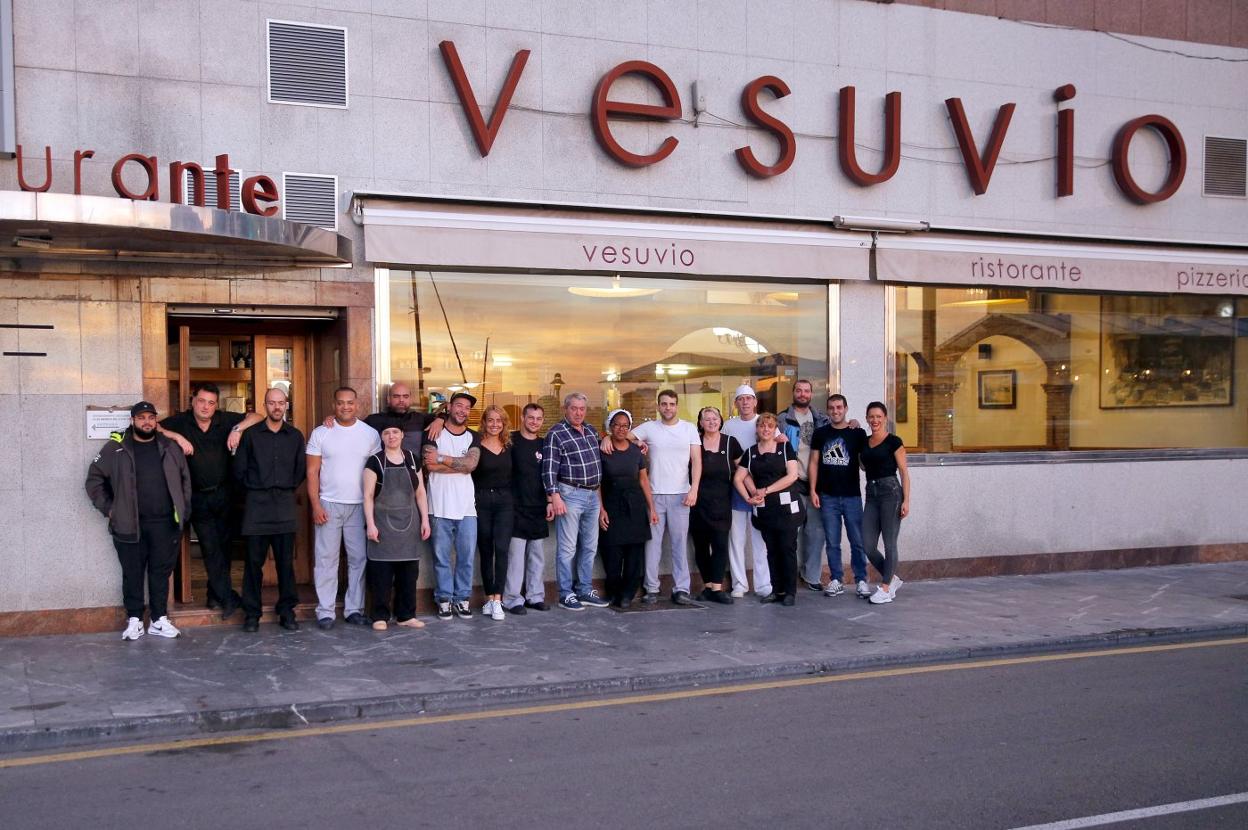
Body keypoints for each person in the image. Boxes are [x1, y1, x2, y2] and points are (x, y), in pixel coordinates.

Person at [85, 401, 193, 640]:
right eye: (141, 418)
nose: (147, 422)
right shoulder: (116, 448)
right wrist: (110, 510)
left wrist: (183, 509)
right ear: (132, 421)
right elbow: (94, 480)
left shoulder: (169, 447)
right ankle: (134, 619)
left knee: (160, 573)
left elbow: (185, 479)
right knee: (132, 573)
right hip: (129, 524)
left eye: (151, 418)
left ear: (156, 421)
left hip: (165, 524)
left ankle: (158, 619)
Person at [158, 383, 262, 619]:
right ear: (193, 401)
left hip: (225, 494)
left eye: (211, 403)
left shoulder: (225, 420)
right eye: (202, 401)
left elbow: (258, 416)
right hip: (197, 496)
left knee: (224, 547)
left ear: (216, 405)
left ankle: (214, 595)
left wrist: (238, 429)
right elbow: (153, 426)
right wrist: (176, 437)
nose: (206, 407)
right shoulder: (181, 422)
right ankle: (227, 598)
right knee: (210, 547)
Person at [306, 387, 382, 630]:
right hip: (328, 504)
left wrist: (373, 510)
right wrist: (315, 504)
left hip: (359, 505)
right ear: (334, 405)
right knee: (326, 559)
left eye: (350, 402)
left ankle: (354, 609)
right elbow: (312, 472)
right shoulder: (321, 433)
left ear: (357, 405)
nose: (345, 407)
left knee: (358, 559)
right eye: (340, 403)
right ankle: (325, 611)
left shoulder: (370, 434)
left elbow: (377, 472)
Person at [233, 387, 305, 633]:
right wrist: (256, 489)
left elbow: (300, 470)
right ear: (265, 406)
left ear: (286, 405)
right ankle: (251, 614)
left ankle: (287, 611)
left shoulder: (295, 436)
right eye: (272, 403)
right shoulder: (251, 435)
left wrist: (284, 487)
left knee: (285, 564)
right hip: (257, 506)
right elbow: (239, 470)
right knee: (253, 564)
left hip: (284, 506)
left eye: (281, 403)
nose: (276, 407)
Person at [621, 390, 700, 605]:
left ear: (677, 406)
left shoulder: (689, 429)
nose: (668, 408)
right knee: (652, 545)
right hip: (654, 495)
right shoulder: (649, 428)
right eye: (664, 404)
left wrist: (694, 489)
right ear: (658, 406)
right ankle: (652, 588)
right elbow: (624, 437)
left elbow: (697, 461)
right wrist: (638, 444)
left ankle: (681, 589)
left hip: (681, 495)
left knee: (679, 544)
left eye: (672, 404)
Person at [542, 392, 610, 611]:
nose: (578, 413)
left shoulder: (591, 430)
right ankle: (565, 593)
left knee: (589, 546)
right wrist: (554, 496)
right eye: (574, 408)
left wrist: (611, 438)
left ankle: (584, 589)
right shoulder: (556, 433)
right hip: (570, 494)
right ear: (566, 409)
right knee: (568, 548)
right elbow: (549, 469)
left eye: (582, 409)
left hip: (593, 494)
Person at [364, 421, 431, 631]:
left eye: (395, 432)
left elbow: (420, 492)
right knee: (381, 574)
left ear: (402, 435)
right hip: (382, 524)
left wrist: (425, 520)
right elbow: (367, 496)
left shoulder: (412, 459)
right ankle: (380, 616)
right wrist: (370, 524)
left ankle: (406, 615)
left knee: (409, 574)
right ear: (382, 437)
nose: (391, 436)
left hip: (410, 523)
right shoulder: (375, 461)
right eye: (386, 433)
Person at [422, 391, 481, 620]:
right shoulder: (433, 432)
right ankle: (444, 599)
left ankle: (462, 599)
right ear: (449, 407)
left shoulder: (473, 436)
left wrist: (441, 458)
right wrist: (458, 465)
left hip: (467, 508)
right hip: (439, 506)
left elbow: (471, 465)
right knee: (441, 558)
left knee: (466, 557)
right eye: (459, 405)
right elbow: (429, 466)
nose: (462, 411)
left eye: (467, 408)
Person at [734, 413, 803, 606]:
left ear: (775, 429)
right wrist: (749, 497)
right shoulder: (750, 452)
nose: (766, 429)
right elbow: (738, 478)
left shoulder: (785, 447)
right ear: (757, 429)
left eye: (770, 426)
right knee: (771, 550)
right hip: (765, 509)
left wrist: (766, 490)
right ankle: (777, 590)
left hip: (787, 507)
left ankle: (790, 592)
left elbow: (792, 476)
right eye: (762, 426)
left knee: (787, 548)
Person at [808, 394, 872, 599]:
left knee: (857, 541)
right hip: (828, 496)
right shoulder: (820, 433)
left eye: (839, 407)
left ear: (845, 408)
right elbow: (814, 462)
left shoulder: (857, 433)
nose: (835, 411)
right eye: (831, 408)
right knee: (832, 541)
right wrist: (813, 490)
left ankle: (861, 579)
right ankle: (836, 579)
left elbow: (864, 463)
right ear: (827, 410)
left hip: (852, 496)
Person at [597, 409, 657, 608]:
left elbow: (644, 480)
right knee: (612, 553)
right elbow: (597, 483)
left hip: (635, 506)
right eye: (617, 425)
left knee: (634, 555)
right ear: (610, 427)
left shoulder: (636, 451)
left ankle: (627, 594)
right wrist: (601, 509)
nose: (621, 429)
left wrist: (652, 508)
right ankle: (614, 592)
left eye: (625, 426)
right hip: (611, 505)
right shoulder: (603, 449)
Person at [780, 379, 831, 592]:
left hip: (818, 484)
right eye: (799, 390)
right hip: (793, 482)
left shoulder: (822, 419)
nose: (802, 394)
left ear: (811, 394)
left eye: (806, 391)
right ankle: (790, 574)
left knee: (816, 532)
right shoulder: (782, 419)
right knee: (792, 530)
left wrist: (853, 422)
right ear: (793, 393)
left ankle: (811, 576)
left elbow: (840, 427)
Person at [503, 403, 552, 614]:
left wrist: (550, 501)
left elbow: (550, 474)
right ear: (523, 418)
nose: (534, 422)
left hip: (538, 507)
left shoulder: (545, 444)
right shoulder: (510, 441)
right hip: (515, 507)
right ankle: (512, 599)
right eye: (531, 417)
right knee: (515, 557)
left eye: (539, 418)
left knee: (537, 556)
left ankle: (535, 596)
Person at [690, 406, 741, 605]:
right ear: (700, 423)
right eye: (707, 419)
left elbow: (742, 469)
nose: (712, 422)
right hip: (698, 502)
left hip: (721, 502)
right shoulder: (694, 442)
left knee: (720, 545)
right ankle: (708, 586)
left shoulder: (730, 442)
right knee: (701, 546)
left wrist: (754, 491)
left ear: (720, 421)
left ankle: (718, 588)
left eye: (715, 418)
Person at [722, 385, 770, 598]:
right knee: (736, 539)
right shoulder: (729, 425)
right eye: (741, 399)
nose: (745, 403)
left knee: (761, 541)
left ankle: (763, 584)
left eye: (749, 398)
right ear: (736, 403)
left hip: (763, 490)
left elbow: (777, 444)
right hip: (738, 489)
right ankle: (739, 584)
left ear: (755, 401)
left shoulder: (765, 422)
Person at [861, 401, 910, 605]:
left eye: (878, 416)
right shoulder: (864, 442)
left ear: (885, 418)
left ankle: (886, 588)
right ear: (867, 418)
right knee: (867, 545)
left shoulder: (894, 441)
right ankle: (892, 578)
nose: (875, 420)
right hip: (872, 494)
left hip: (891, 493)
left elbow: (904, 472)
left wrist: (906, 500)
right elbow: (863, 466)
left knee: (890, 543)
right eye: (871, 416)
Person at [473, 405, 513, 622]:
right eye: (491, 420)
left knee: (502, 549)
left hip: (505, 501)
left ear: (504, 423)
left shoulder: (509, 445)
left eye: (499, 420)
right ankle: (489, 598)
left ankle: (498, 599)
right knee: (486, 550)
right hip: (481, 501)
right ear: (484, 422)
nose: (495, 424)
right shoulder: (475, 445)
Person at [361, 381, 446, 456]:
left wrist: (440, 420)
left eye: (405, 396)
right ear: (388, 399)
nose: (401, 400)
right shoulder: (374, 420)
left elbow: (449, 416)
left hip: (414, 468)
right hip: (383, 468)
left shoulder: (420, 418)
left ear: (411, 399)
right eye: (396, 396)